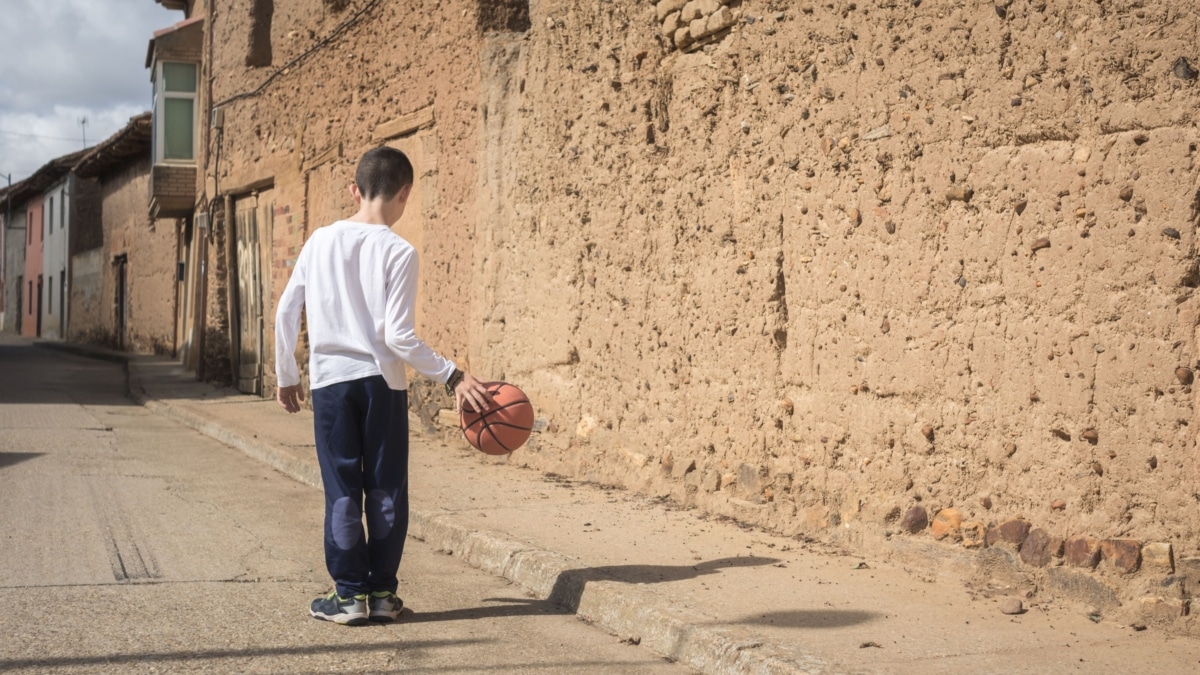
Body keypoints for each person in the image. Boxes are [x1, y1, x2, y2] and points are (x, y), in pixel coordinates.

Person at [274, 146, 494, 625]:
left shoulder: (319, 241)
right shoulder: (399, 251)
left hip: (332, 385)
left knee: (342, 490)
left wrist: (287, 375)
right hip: (382, 385)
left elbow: (287, 310)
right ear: (406, 193)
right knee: (387, 490)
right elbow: (398, 336)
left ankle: (348, 596)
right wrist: (452, 375)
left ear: (354, 189)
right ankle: (381, 595)